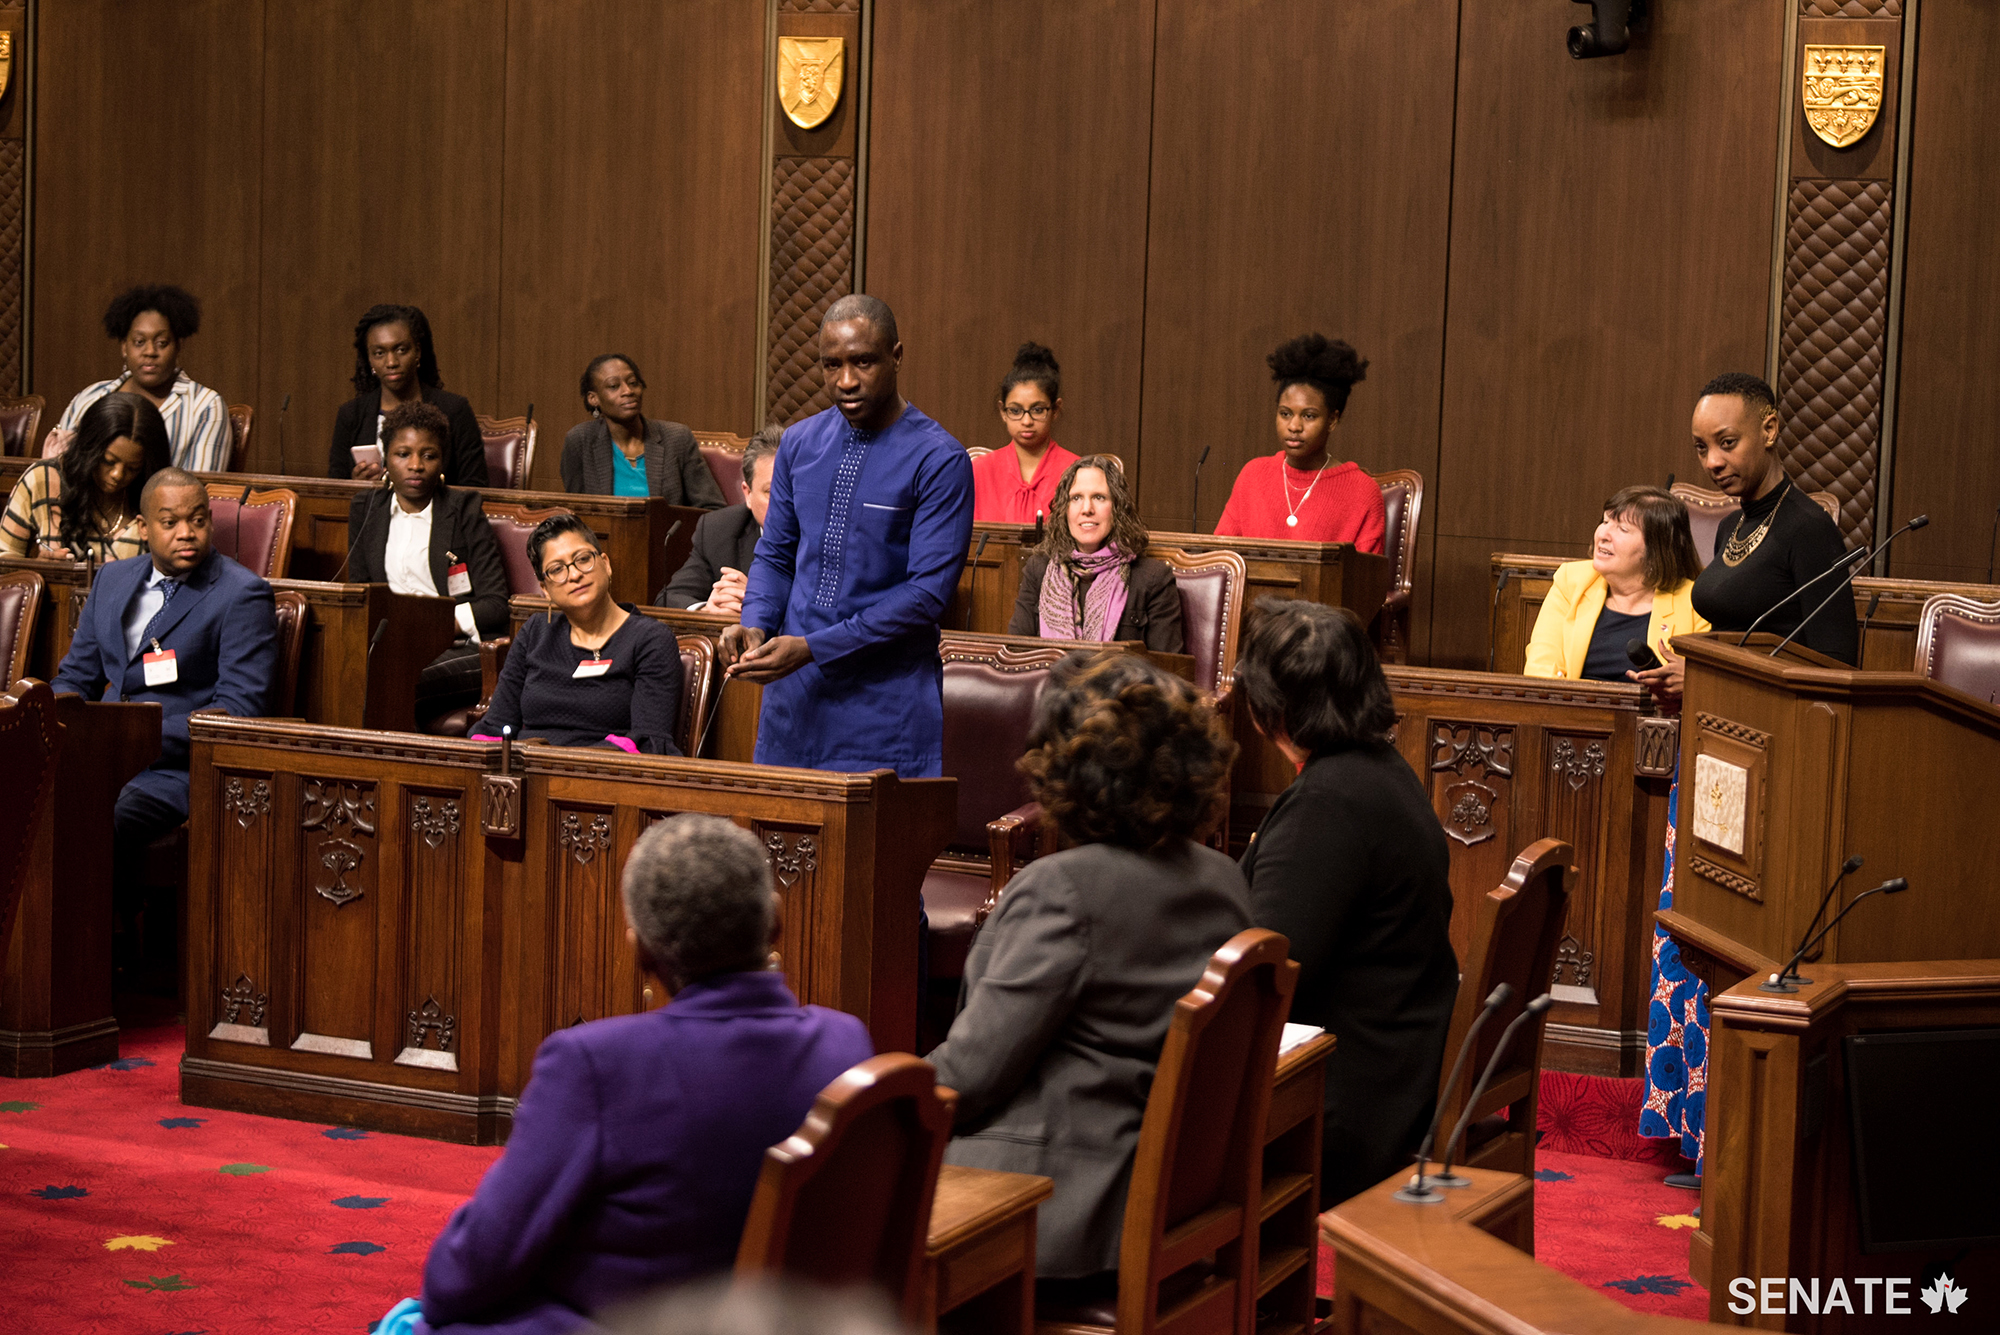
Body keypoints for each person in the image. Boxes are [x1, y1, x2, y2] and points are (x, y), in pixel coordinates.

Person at [378, 815, 873, 1335]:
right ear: (775, 921)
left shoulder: (595, 1064)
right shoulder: (846, 1044)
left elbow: (470, 1270)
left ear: (640, 951)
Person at [927, 653, 1250, 1283]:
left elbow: (968, 1077)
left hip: (1063, 1208)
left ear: (1067, 769)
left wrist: (863, 1101)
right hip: (1170, 1195)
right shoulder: (1224, 881)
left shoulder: (1063, 890)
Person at [1636, 373, 1859, 1192]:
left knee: (1733, 949)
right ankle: (1697, 1130)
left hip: (1769, 774)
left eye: (1727, 442)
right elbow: (1737, 638)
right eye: (1701, 447)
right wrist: (1688, 680)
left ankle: (1735, 1136)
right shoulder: (1734, 528)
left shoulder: (1808, 530)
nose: (1714, 460)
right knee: (1693, 941)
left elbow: (1834, 668)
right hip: (1716, 756)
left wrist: (1717, 682)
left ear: (1769, 428)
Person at [1232, 600, 1458, 1205]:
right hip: (1395, 1065)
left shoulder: (1326, 805)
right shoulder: (1379, 769)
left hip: (1351, 1105)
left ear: (1268, 709)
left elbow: (1266, 978)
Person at [720, 295, 974, 777]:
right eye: (831, 365)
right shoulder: (798, 442)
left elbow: (926, 596)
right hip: (794, 697)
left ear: (896, 357)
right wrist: (754, 624)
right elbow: (775, 556)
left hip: (885, 702)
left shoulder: (939, 458)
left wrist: (813, 647)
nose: (846, 381)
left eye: (863, 362)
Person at [52, 467, 277, 855]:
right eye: (170, 522)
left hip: (174, 772)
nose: (187, 532)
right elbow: (76, 676)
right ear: (143, 527)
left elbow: (241, 710)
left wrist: (131, 736)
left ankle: (96, 918)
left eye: (198, 520)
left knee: (90, 816)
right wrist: (55, 723)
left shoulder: (242, 595)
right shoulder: (112, 579)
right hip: (96, 758)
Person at [342, 401, 511, 728]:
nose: (416, 465)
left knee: (396, 679)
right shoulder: (366, 510)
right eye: (403, 454)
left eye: (428, 455)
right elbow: (360, 595)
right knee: (342, 673)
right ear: (385, 458)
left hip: (463, 648)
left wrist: (430, 626)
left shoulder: (463, 510)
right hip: (391, 646)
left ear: (442, 460)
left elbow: (495, 605)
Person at [473, 513, 684, 754]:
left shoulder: (650, 639)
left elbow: (649, 740)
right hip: (525, 773)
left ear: (606, 564)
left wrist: (555, 759)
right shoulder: (535, 633)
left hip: (601, 779)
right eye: (557, 569)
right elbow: (494, 728)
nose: (574, 575)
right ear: (545, 589)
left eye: (583, 559)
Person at [1524, 485, 1708, 694]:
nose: (1603, 534)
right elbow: (1540, 667)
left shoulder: (1695, 602)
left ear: (1656, 550)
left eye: (1622, 529)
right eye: (1605, 521)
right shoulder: (1572, 581)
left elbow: (1700, 687)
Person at [1213, 333, 1386, 549]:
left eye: (1309, 416)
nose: (1294, 426)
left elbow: (1365, 580)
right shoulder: (1253, 476)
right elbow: (1220, 561)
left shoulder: (1362, 492)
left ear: (1332, 420)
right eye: (1285, 414)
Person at [1005, 455, 1184, 651]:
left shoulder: (1152, 578)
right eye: (1076, 498)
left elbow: (1167, 668)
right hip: (1048, 680)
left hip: (1121, 682)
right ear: (1065, 509)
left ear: (1117, 508)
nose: (1087, 509)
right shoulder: (1038, 569)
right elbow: (1016, 652)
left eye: (1099, 497)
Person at [48, 284, 230, 471]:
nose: (150, 351)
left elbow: (201, 488)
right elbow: (59, 471)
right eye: (139, 342)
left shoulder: (205, 406)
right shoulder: (90, 397)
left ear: (178, 346)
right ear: (124, 347)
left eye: (162, 343)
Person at [326, 304, 488, 486]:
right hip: (369, 512)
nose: (391, 362)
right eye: (379, 353)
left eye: (401, 350)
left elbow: (476, 485)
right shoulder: (351, 415)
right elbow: (335, 487)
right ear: (369, 359)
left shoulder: (454, 410)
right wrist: (355, 486)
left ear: (417, 352)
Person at [2, 392, 170, 562]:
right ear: (89, 449)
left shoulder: (156, 493)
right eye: (108, 461)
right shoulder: (43, 479)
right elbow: (4, 562)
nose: (117, 475)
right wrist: (38, 569)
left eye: (133, 468)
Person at [560, 353, 726, 506]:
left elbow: (711, 508)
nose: (628, 391)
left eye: (633, 383)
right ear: (593, 399)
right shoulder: (580, 441)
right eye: (613, 386)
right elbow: (577, 511)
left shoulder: (677, 438)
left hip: (666, 537)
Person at [658, 426, 778, 613]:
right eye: (771, 492)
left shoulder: (828, 533)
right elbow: (668, 599)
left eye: (791, 489)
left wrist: (757, 601)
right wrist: (708, 610)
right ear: (748, 494)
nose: (783, 502)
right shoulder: (720, 530)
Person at [971, 342, 1077, 524]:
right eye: (1015, 411)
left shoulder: (1077, 471)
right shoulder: (978, 471)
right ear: (1002, 411)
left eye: (1037, 410)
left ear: (1055, 410)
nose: (1026, 421)